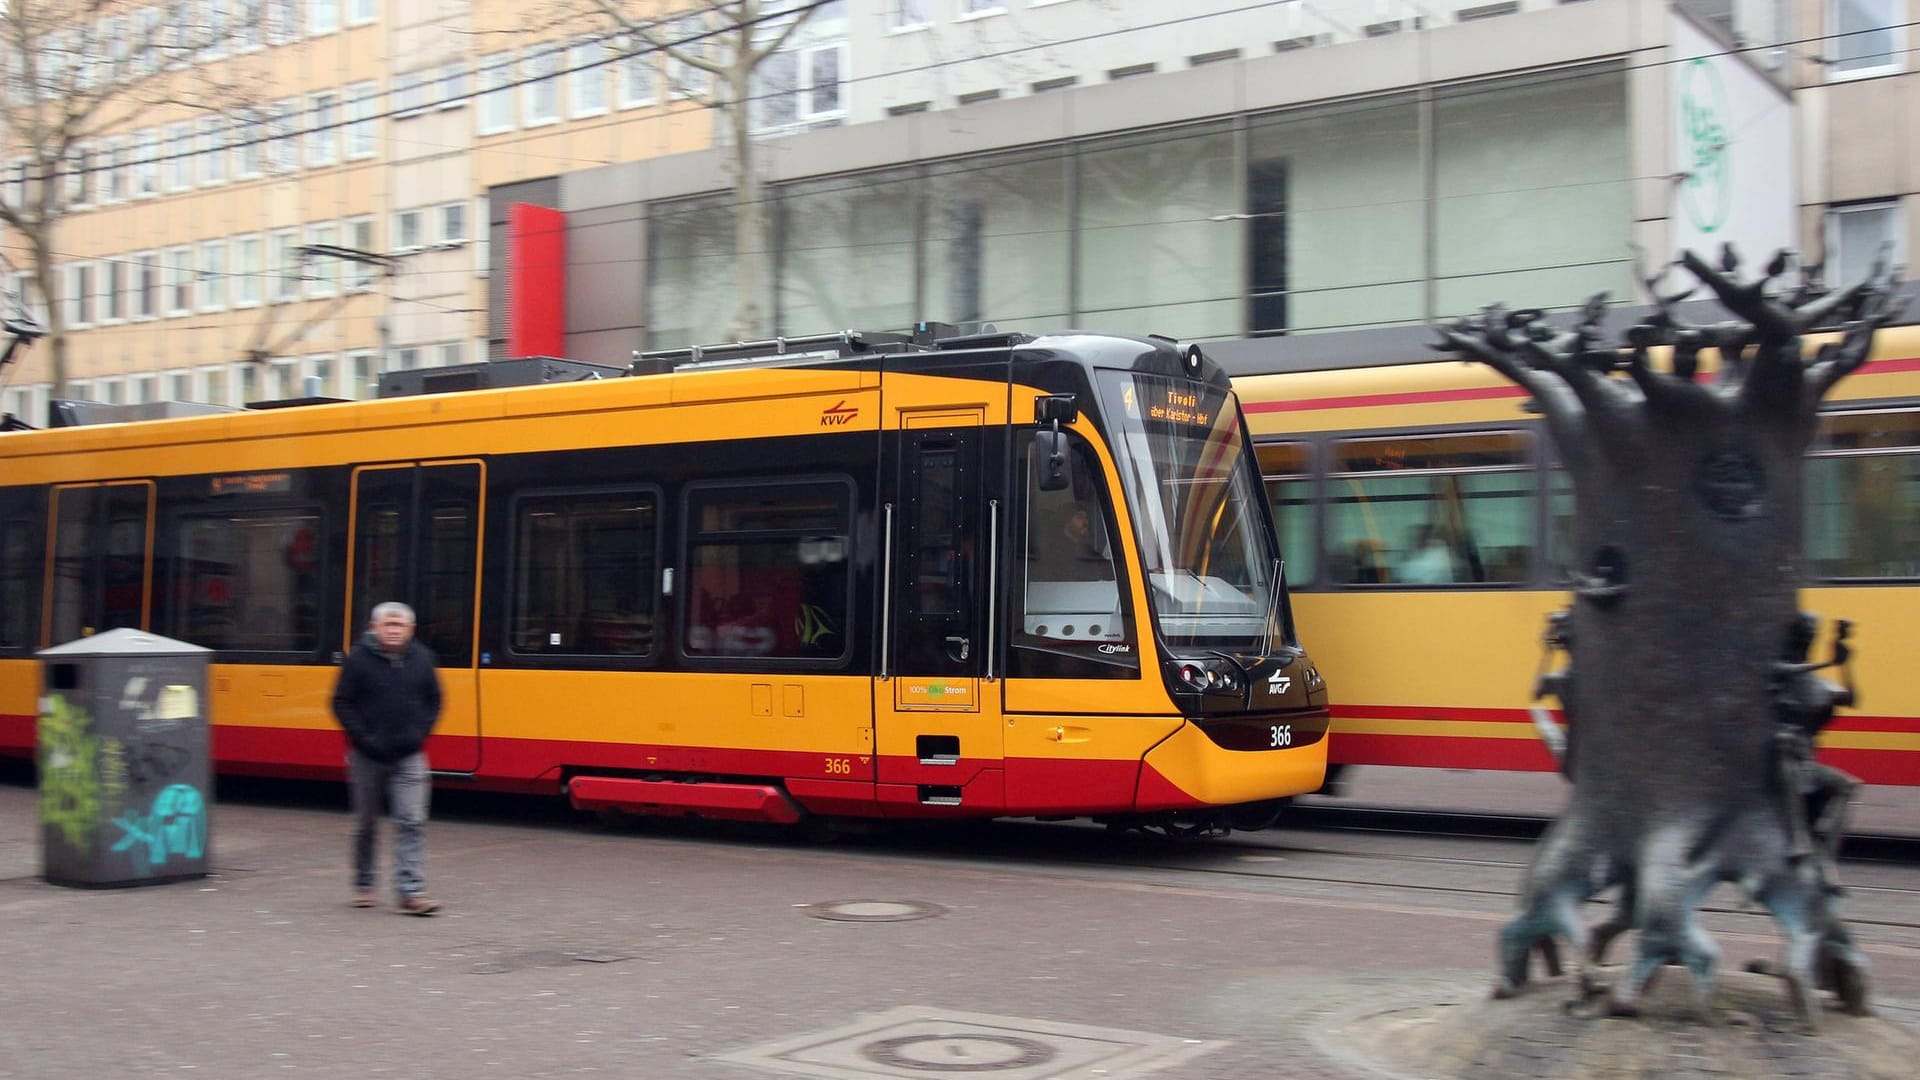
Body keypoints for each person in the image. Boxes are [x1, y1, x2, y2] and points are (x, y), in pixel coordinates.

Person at [331, 601, 444, 915]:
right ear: (374, 627)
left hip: (409, 755)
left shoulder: (422, 659)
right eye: (388, 625)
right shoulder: (358, 661)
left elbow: (434, 700)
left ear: (411, 630)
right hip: (367, 756)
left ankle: (411, 892)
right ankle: (364, 883)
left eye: (400, 626)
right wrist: (363, 739)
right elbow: (341, 703)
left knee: (411, 821)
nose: (394, 631)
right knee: (366, 823)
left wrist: (420, 734)